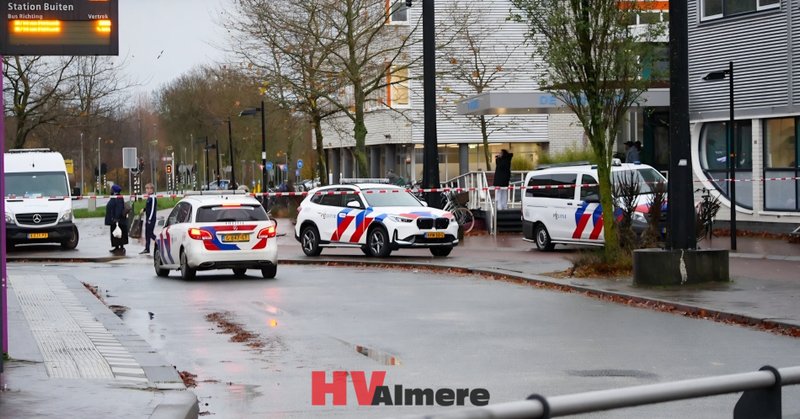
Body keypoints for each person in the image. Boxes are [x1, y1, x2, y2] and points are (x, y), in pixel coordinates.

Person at [105, 184, 129, 255]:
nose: (110, 190)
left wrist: (116, 218)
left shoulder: (118, 197)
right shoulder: (114, 197)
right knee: (114, 234)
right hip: (114, 219)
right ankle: (116, 247)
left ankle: (121, 247)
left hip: (118, 220)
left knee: (119, 234)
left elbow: (119, 208)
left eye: (111, 189)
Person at [139, 183, 157, 255]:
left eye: (147, 188)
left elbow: (152, 209)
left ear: (151, 189)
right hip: (148, 218)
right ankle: (147, 248)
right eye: (146, 188)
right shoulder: (149, 197)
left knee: (150, 233)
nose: (146, 190)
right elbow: (148, 208)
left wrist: (149, 219)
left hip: (151, 219)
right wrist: (144, 209)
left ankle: (159, 242)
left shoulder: (153, 197)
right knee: (147, 234)